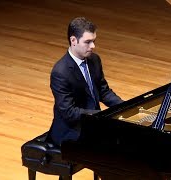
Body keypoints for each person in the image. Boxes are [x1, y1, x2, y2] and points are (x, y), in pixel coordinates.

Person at [48, 17, 124, 146]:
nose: (93, 46)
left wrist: (125, 107)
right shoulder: (60, 72)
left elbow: (103, 91)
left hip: (94, 121)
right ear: (73, 40)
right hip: (72, 131)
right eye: (88, 42)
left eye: (94, 41)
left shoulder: (94, 60)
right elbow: (69, 113)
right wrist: (103, 116)